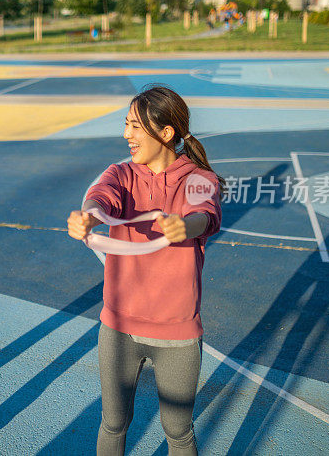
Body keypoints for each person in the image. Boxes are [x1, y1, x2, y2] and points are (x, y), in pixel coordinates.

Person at [67, 85, 223, 456]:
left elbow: (206, 212)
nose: (127, 135)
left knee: (178, 432)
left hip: (177, 333)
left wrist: (187, 225)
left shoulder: (199, 177)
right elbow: (103, 194)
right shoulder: (121, 173)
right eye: (127, 125)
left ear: (166, 133)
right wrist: (89, 215)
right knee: (113, 423)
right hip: (118, 327)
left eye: (136, 127)